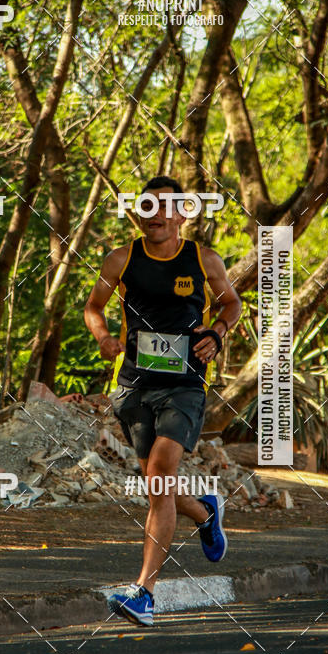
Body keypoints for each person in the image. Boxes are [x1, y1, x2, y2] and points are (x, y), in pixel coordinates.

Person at [84, 176, 242, 626]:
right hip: (135, 385)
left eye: (163, 207)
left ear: (181, 214)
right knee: (159, 486)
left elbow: (231, 303)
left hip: (186, 384)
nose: (154, 214)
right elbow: (93, 306)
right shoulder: (122, 258)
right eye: (147, 206)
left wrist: (217, 331)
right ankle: (203, 511)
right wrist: (101, 337)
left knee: (158, 472)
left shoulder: (202, 259)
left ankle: (144, 593)